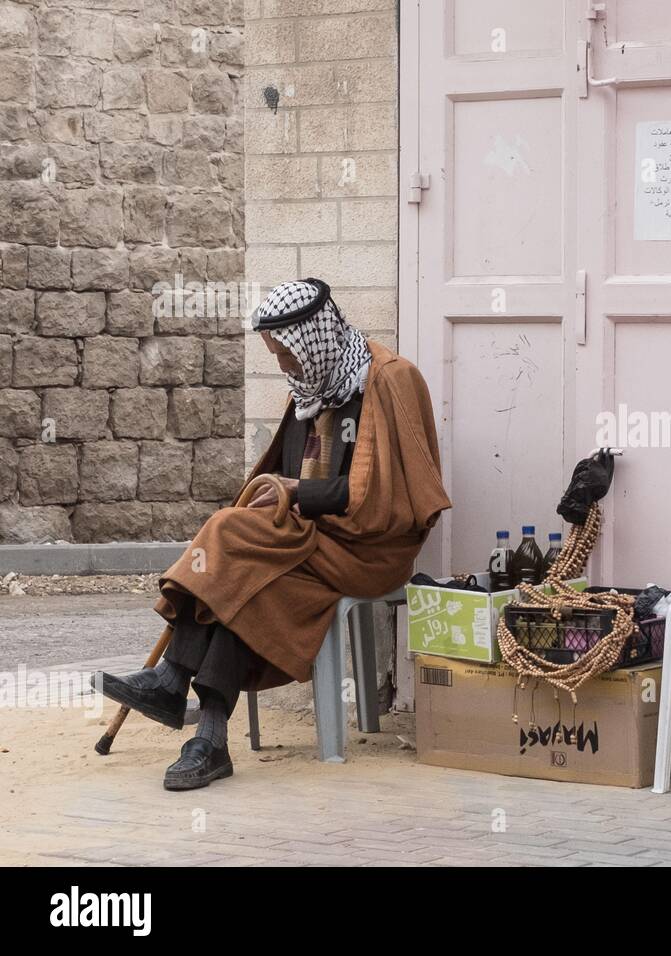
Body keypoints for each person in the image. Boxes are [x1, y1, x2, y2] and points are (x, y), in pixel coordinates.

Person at [96, 278, 451, 788]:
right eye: (275, 353)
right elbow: (292, 471)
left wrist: (295, 492)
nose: (283, 365)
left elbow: (382, 498)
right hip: (308, 539)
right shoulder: (311, 391)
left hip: (369, 547)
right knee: (247, 577)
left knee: (231, 542)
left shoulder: (390, 380)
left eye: (286, 352)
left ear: (313, 337)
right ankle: (209, 737)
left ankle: (175, 681)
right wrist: (290, 493)